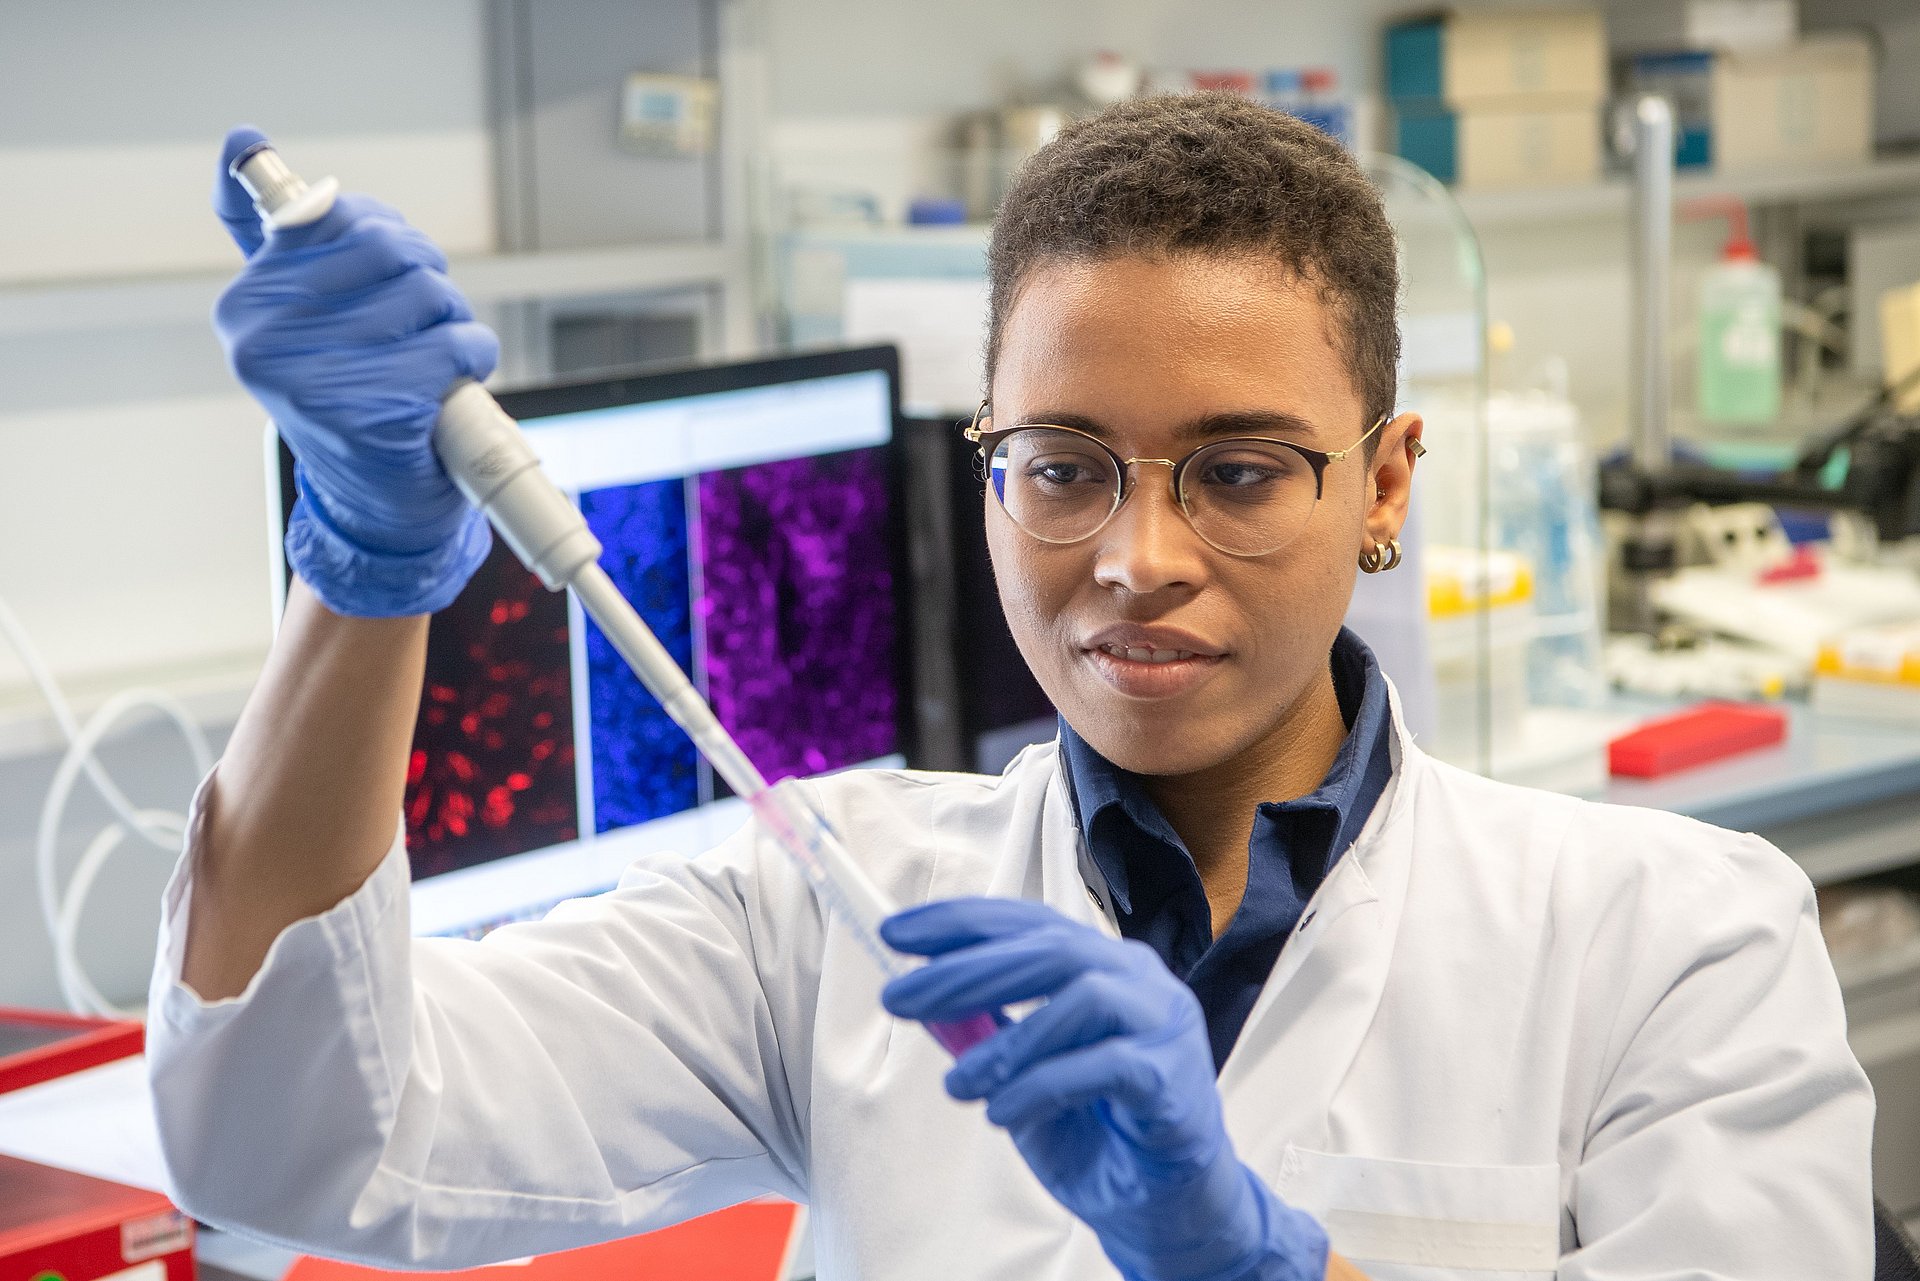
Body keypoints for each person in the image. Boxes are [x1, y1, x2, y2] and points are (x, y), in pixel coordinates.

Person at [149, 94, 1873, 1281]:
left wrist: (1256, 1258)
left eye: (1241, 470)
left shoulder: (1673, 936)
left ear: (1389, 483)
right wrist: (364, 573)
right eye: (1061, 465)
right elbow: (294, 1133)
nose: (1135, 555)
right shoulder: (830, 904)